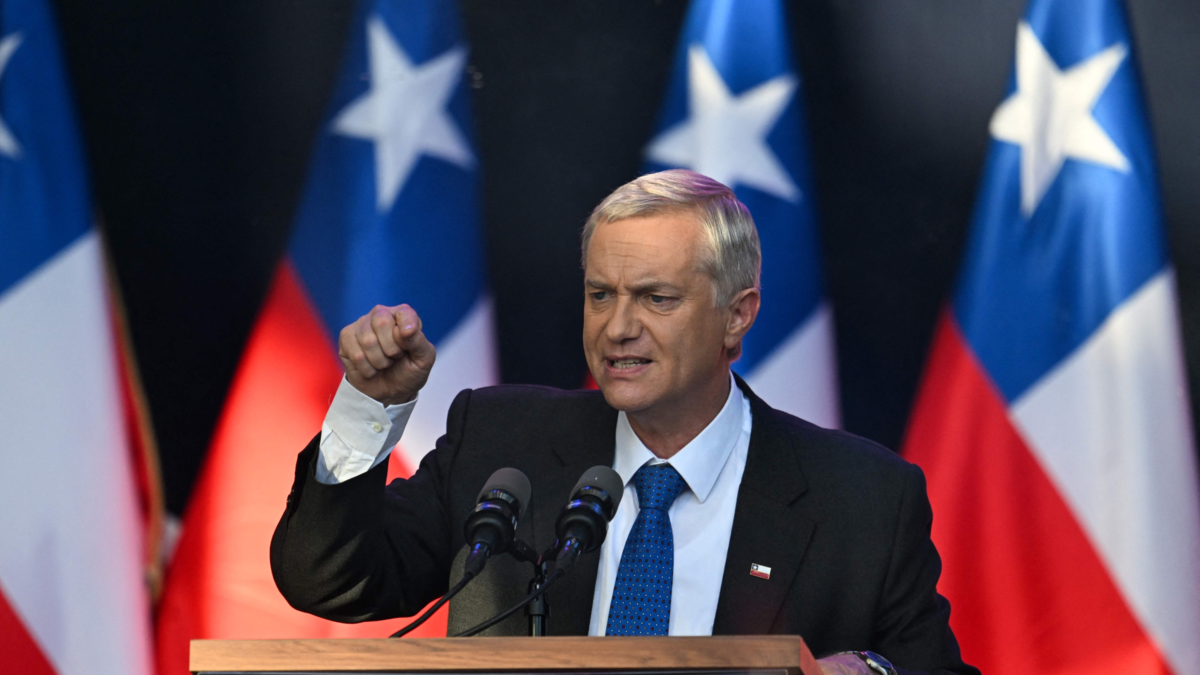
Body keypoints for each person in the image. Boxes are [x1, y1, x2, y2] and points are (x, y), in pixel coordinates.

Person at [271, 170, 977, 675]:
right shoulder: (499, 443)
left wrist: (868, 672)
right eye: (601, 294)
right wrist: (369, 405)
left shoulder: (863, 498)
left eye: (656, 298)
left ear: (738, 315)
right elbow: (329, 580)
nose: (617, 328)